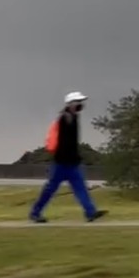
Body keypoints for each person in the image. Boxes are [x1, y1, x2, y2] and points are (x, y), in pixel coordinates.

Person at [29, 91, 108, 223]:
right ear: (70, 103)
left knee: (80, 188)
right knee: (50, 190)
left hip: (72, 163)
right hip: (61, 163)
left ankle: (90, 212)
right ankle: (35, 212)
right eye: (78, 101)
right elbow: (64, 143)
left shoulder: (73, 117)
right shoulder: (65, 118)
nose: (81, 104)